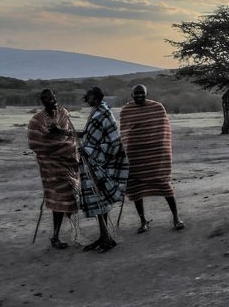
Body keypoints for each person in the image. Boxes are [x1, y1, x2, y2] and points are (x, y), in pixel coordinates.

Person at [119, 84, 184, 233]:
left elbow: (164, 130)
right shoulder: (126, 111)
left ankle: (176, 218)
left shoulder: (157, 107)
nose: (139, 96)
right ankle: (143, 221)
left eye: (142, 93)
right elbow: (125, 134)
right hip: (135, 156)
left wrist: (160, 149)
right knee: (135, 188)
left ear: (147, 94)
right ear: (132, 95)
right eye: (136, 94)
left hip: (155, 156)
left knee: (164, 184)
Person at [27, 88, 80, 249]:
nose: (52, 100)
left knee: (71, 195)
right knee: (58, 199)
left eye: (53, 97)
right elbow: (35, 144)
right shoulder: (36, 120)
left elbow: (70, 134)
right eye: (48, 99)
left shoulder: (64, 113)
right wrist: (55, 143)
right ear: (43, 101)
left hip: (67, 162)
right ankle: (55, 236)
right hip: (50, 165)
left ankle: (73, 231)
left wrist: (61, 137)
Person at [78, 86, 129, 252]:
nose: (87, 98)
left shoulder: (104, 113)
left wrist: (90, 150)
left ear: (96, 97)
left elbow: (115, 142)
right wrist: (66, 133)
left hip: (100, 163)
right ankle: (103, 236)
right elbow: (89, 135)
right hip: (90, 162)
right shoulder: (96, 112)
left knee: (100, 200)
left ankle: (107, 239)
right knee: (97, 200)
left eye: (89, 96)